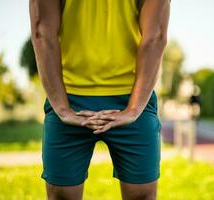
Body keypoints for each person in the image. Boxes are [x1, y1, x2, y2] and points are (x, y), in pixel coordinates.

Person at [29, 0, 170, 199]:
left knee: (141, 195)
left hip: (133, 96)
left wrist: (133, 110)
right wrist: (63, 109)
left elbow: (155, 36)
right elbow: (42, 32)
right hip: (69, 96)